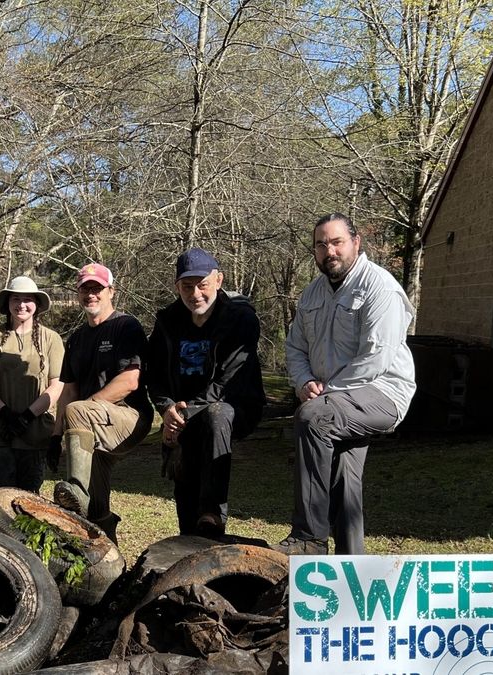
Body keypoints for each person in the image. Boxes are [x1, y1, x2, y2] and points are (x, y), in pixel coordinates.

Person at [276, 213, 416, 556]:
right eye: (321, 245)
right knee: (342, 475)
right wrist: (304, 382)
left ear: (356, 243)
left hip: (383, 392)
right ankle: (353, 565)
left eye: (337, 242)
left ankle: (308, 537)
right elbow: (295, 347)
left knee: (313, 420)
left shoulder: (379, 287)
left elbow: (376, 357)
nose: (329, 250)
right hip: (332, 399)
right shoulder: (312, 294)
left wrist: (324, 395)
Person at [146, 248, 265, 538]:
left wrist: (181, 414)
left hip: (234, 407)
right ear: (177, 287)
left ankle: (213, 512)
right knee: (186, 493)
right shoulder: (167, 321)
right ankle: (191, 535)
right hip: (185, 413)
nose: (195, 294)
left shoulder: (240, 318)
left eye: (203, 285)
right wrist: (167, 408)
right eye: (187, 286)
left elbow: (228, 381)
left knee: (216, 413)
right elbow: (155, 375)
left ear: (219, 281)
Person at [51, 263, 153, 542]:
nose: (91, 294)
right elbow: (68, 392)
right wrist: (56, 434)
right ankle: (108, 552)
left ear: (112, 292)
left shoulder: (125, 326)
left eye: (97, 288)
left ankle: (74, 492)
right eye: (85, 289)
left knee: (77, 499)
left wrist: (83, 410)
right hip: (89, 427)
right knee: (95, 509)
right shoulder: (76, 339)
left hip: (128, 417)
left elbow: (130, 381)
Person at [0, 276, 65, 492]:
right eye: (16, 299)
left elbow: (57, 384)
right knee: (1, 494)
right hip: (0, 431)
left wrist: (27, 416)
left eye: (28, 299)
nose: (21, 305)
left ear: (37, 304)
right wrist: (5, 412)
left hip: (35, 432)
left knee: (30, 497)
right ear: (7, 303)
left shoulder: (51, 338)